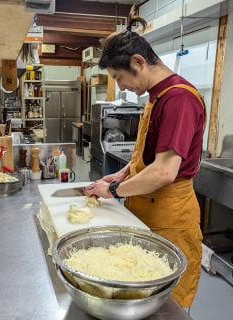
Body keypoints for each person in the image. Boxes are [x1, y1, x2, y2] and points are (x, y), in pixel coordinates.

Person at [85, 5, 206, 308]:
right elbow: (151, 155)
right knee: (139, 297)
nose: (121, 86)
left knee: (165, 304)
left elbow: (165, 172)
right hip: (147, 212)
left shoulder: (179, 99)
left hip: (169, 219)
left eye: (119, 77)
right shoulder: (157, 96)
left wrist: (112, 191)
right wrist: (124, 173)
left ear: (138, 61)